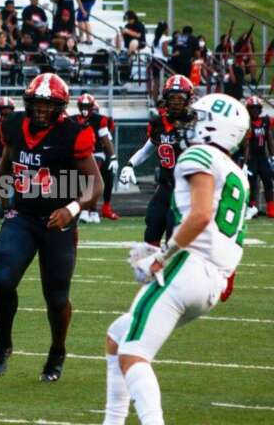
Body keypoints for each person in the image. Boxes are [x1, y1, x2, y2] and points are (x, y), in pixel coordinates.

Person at [102, 94, 249, 425]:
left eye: (198, 118)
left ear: (214, 126)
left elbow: (198, 217)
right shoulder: (237, 173)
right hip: (213, 280)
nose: (189, 124)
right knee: (117, 336)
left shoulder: (199, 154)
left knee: (133, 353)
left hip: (189, 270)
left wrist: (161, 259)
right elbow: (218, 232)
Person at [0, 73, 103, 381]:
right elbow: (6, 163)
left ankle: (57, 352)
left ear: (60, 107)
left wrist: (71, 208)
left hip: (56, 222)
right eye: (36, 104)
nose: (41, 111)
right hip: (21, 216)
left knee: (57, 296)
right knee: (3, 281)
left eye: (48, 106)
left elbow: (96, 184)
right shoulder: (14, 126)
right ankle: (4, 343)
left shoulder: (74, 134)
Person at [119, 75, 195, 245]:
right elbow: (148, 148)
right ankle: (153, 270)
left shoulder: (194, 124)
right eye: (172, 98)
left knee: (173, 236)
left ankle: (171, 270)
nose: (176, 102)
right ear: (165, 99)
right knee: (152, 229)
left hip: (186, 190)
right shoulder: (157, 123)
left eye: (180, 98)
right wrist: (130, 165)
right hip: (164, 187)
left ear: (188, 100)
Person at [73, 93, 118, 223]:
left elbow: (106, 139)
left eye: (87, 106)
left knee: (90, 178)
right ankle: (91, 210)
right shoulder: (74, 119)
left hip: (97, 153)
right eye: (83, 106)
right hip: (80, 155)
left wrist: (113, 157)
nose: (85, 108)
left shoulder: (100, 120)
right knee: (80, 179)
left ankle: (87, 209)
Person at [243, 96, 274, 219]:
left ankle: (271, 209)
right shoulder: (246, 123)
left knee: (268, 182)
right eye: (252, 108)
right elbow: (246, 145)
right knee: (251, 183)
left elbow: (269, 140)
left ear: (260, 109)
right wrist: (245, 163)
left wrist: (273, 156)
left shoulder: (266, 121)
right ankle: (252, 208)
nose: (254, 111)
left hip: (262, 157)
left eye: (256, 108)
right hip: (252, 158)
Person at [150, 22, 170, 99]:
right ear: (165, 29)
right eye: (168, 28)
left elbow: (152, 50)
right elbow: (165, 53)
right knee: (166, 80)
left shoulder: (155, 38)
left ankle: (154, 100)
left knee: (156, 82)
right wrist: (174, 54)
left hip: (154, 59)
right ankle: (164, 98)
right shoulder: (165, 38)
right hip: (162, 60)